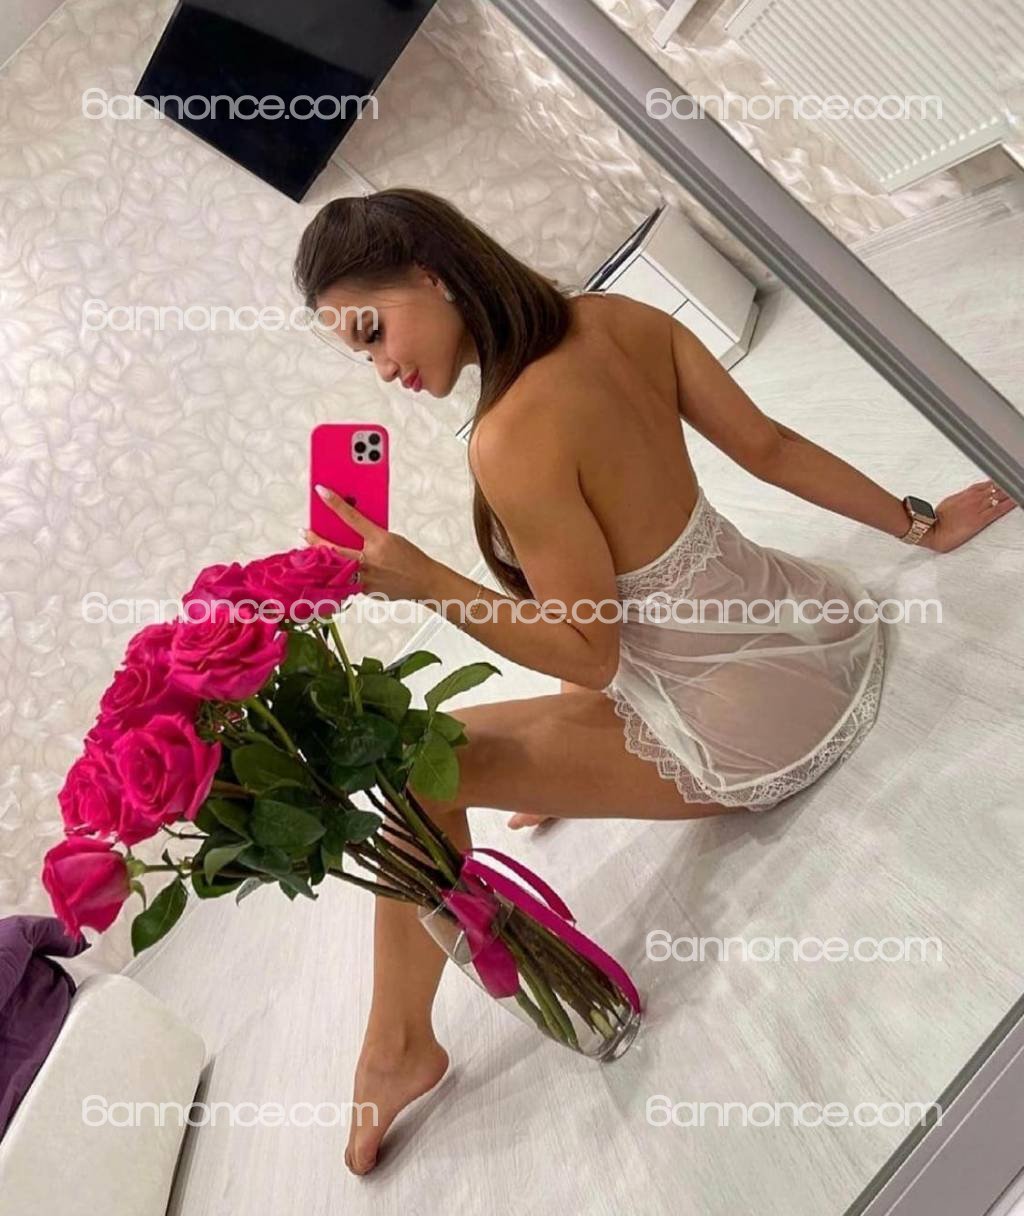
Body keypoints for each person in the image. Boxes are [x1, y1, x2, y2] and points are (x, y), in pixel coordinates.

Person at [293, 187, 1017, 1174]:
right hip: (813, 635)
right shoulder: (620, 318)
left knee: (424, 771)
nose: (382, 368)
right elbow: (768, 449)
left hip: (742, 728)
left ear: (432, 275)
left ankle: (396, 1049)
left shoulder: (510, 438)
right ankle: (546, 787)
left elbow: (590, 653)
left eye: (373, 331)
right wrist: (921, 523)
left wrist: (425, 580)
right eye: (360, 354)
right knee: (503, 721)